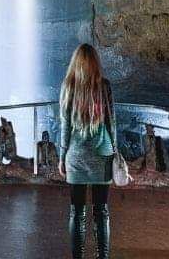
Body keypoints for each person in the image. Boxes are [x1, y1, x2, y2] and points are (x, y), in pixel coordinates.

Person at [59, 43, 117, 259]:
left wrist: (62, 154)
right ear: (95, 62)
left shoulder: (68, 86)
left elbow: (65, 125)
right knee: (101, 211)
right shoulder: (105, 86)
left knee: (77, 212)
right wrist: (116, 152)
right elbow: (112, 123)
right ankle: (103, 256)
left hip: (76, 156)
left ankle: (78, 257)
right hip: (102, 154)